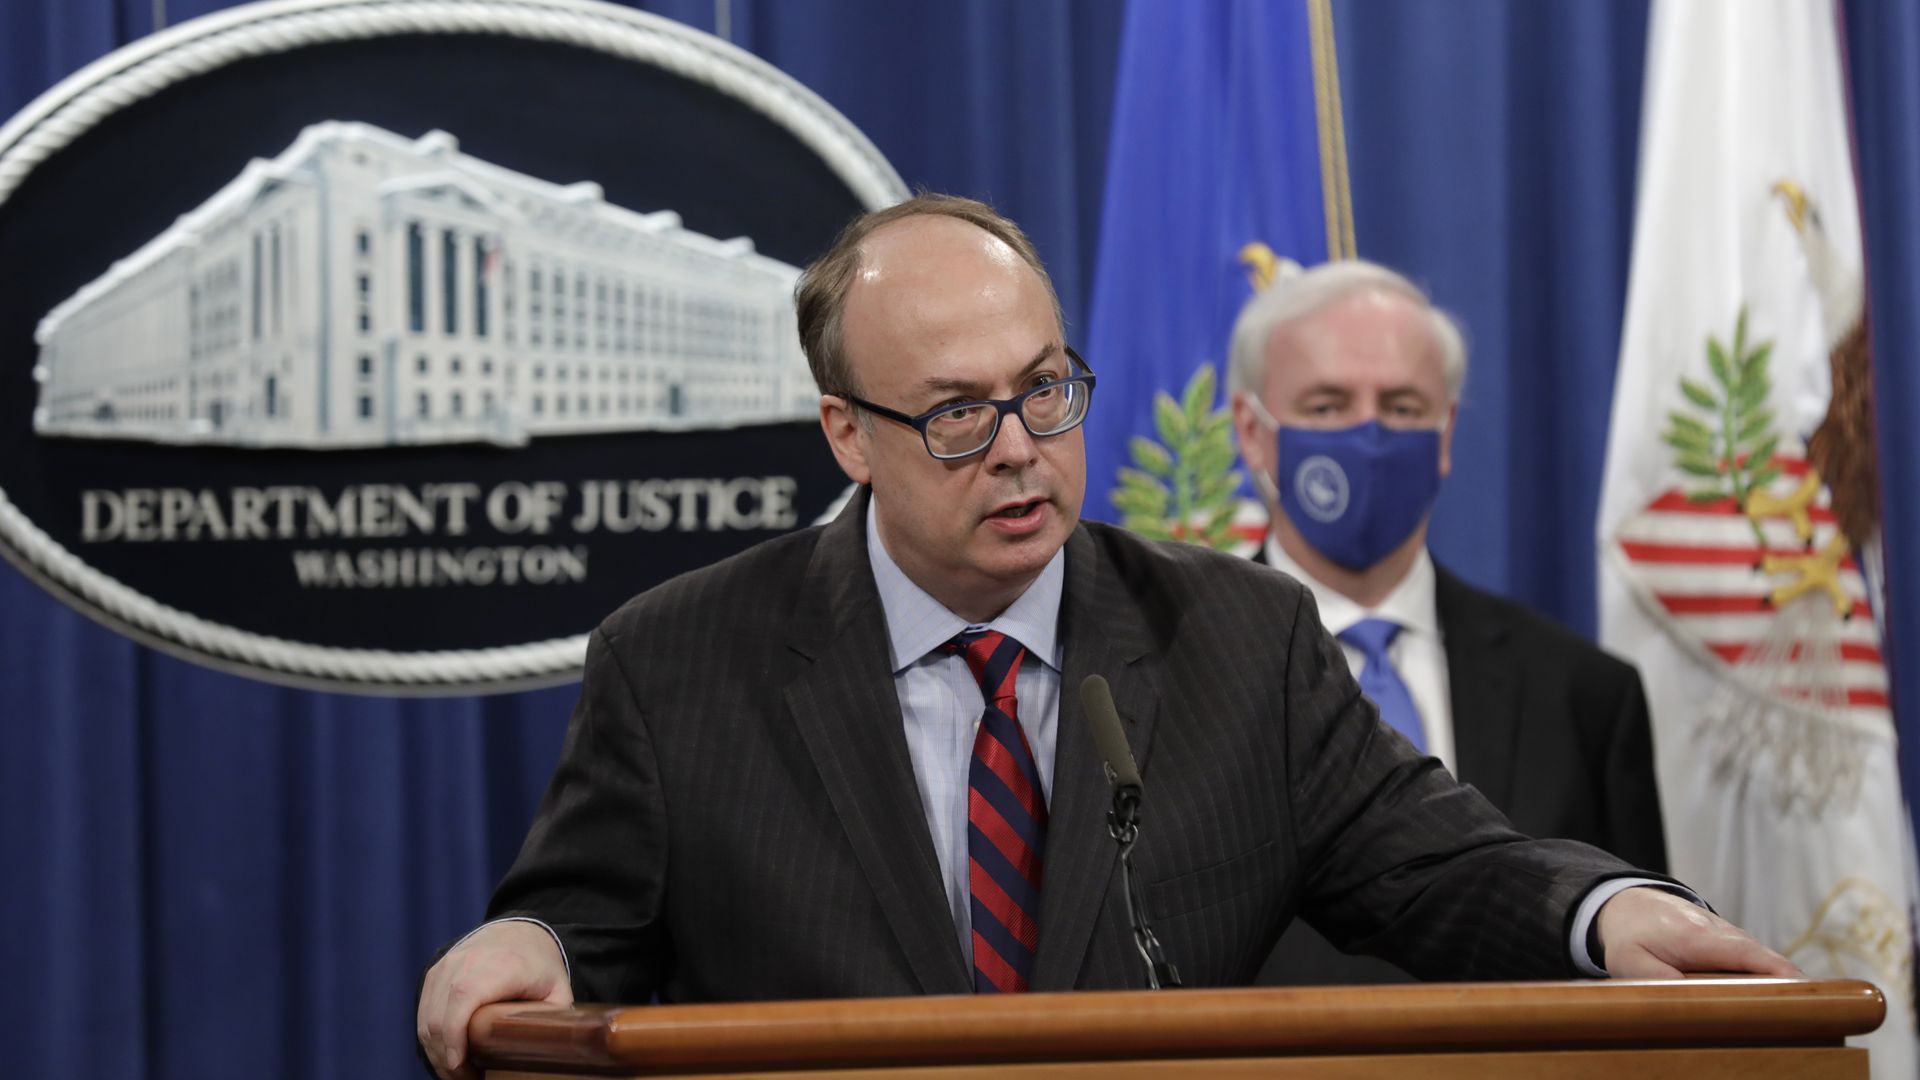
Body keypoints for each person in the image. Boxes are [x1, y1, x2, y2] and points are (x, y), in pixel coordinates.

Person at [416, 195, 1792, 1080]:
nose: (1022, 455)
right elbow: (586, 923)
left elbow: (1440, 864)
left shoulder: (1238, 641)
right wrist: (528, 939)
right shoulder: (681, 663)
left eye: (1046, 391)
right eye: (957, 414)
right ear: (847, 433)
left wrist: (1610, 913)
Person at [1223, 259, 1669, 986]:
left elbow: (1640, 982)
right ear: (1253, 430)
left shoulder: (1584, 694)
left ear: (1446, 430)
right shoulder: (1171, 675)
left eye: (1400, 406)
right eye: (1329, 405)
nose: (1369, 437)